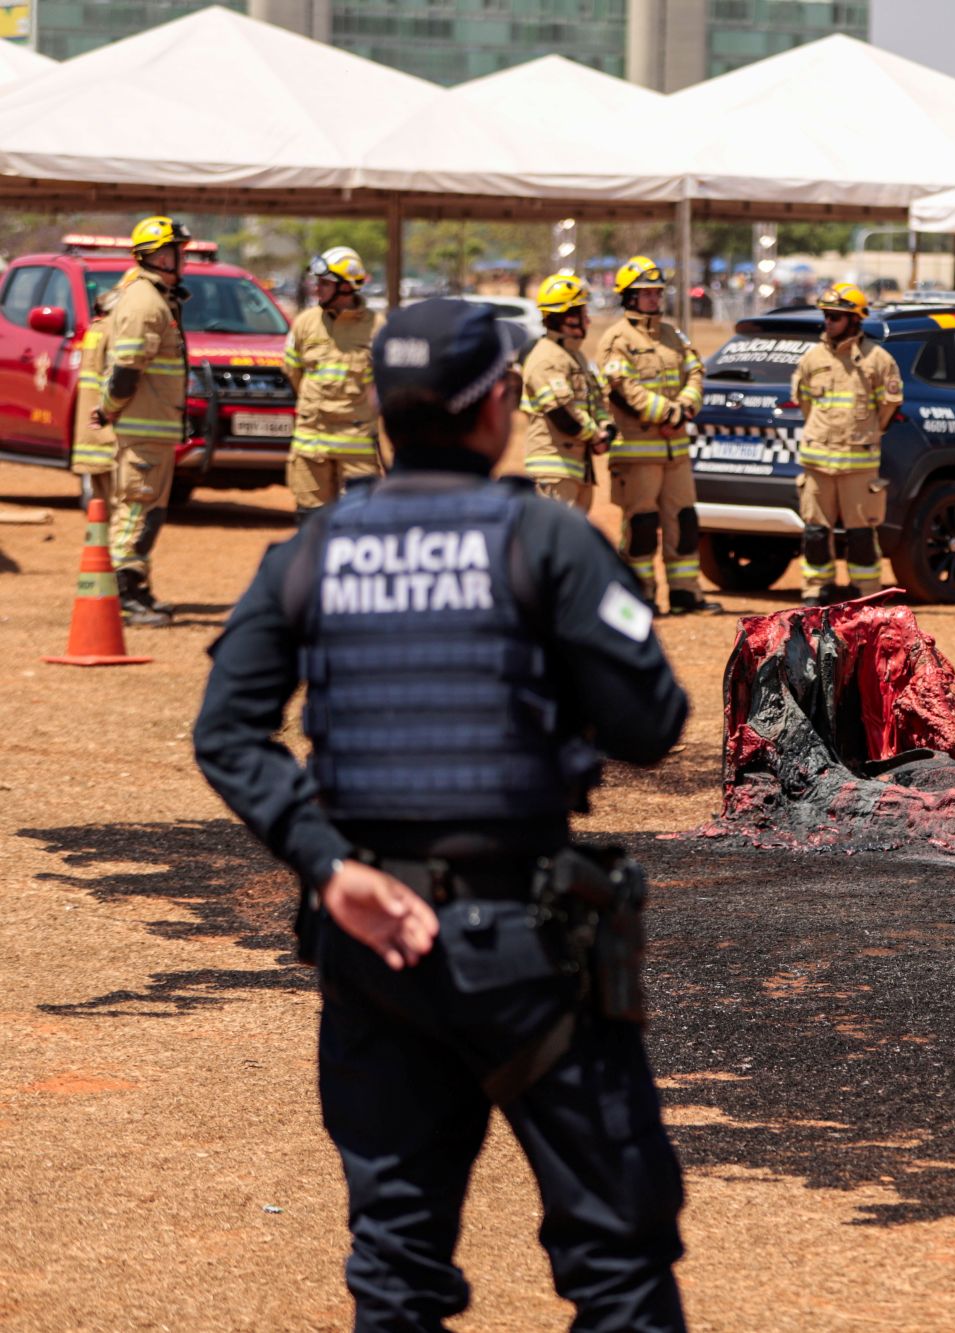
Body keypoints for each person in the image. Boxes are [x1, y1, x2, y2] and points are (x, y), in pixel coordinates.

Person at [193, 299, 694, 1331]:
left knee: (397, 1263)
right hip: (533, 948)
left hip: (371, 944)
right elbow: (650, 723)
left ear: (379, 409)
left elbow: (228, 733)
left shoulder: (314, 550)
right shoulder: (546, 541)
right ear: (496, 404)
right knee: (616, 1256)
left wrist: (329, 865)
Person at [598, 255, 720, 614]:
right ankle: (641, 596)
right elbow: (624, 388)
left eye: (656, 292)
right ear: (629, 297)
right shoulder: (617, 339)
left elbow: (696, 373)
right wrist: (667, 413)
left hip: (675, 451)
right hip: (637, 452)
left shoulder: (672, 335)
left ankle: (685, 594)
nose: (654, 299)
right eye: (646, 293)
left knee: (683, 521)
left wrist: (684, 409)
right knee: (641, 526)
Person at [97, 214, 190, 626]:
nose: (180, 259)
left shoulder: (155, 297)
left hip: (154, 426)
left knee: (148, 510)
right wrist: (111, 407)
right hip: (143, 427)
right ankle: (122, 598)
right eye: (174, 251)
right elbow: (127, 369)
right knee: (136, 509)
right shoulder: (144, 301)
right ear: (156, 256)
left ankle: (138, 589)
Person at [790, 281, 902, 604]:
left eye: (836, 317)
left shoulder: (878, 360)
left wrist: (865, 435)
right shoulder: (811, 359)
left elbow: (889, 408)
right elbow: (806, 404)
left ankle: (866, 594)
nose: (829, 323)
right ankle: (816, 592)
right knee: (814, 533)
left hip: (858, 465)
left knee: (862, 534)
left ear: (855, 320)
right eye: (826, 316)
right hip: (817, 461)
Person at [282, 246, 386, 524]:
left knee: (360, 523)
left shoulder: (377, 327)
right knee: (310, 521)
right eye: (318, 282)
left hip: (357, 445)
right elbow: (293, 373)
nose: (318, 289)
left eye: (325, 283)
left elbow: (385, 385)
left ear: (347, 287)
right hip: (310, 442)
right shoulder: (304, 323)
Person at [521, 273, 615, 510]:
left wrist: (606, 427)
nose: (588, 321)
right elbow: (562, 412)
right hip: (554, 471)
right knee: (553, 545)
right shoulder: (546, 358)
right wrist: (596, 435)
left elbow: (594, 400)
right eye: (583, 314)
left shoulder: (574, 356)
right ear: (568, 319)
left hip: (577, 469)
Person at [70, 283, 126, 510]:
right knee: (117, 500)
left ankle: (100, 541)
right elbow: (119, 374)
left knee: (99, 501)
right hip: (106, 423)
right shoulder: (113, 330)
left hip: (90, 428)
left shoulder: (95, 329)